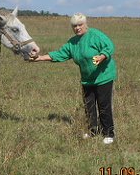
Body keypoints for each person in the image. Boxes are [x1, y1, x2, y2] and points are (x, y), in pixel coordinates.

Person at [32, 13, 117, 144]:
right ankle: (93, 132)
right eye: (74, 26)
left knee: (103, 106)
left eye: (80, 25)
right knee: (89, 106)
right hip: (87, 79)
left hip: (103, 77)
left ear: (85, 24)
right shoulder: (73, 43)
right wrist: (40, 58)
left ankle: (109, 134)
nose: (77, 28)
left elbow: (109, 46)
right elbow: (61, 54)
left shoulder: (95, 35)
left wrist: (102, 56)